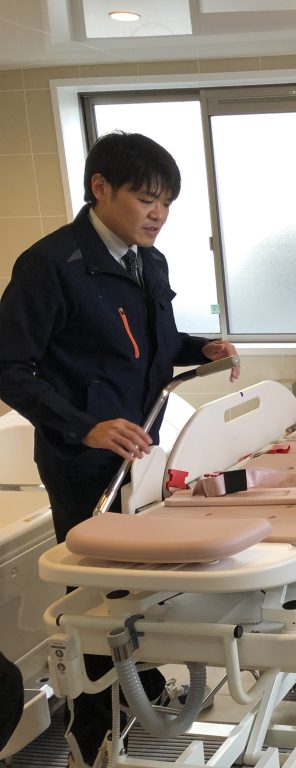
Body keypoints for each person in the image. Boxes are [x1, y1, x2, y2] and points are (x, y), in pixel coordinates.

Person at [0, 131, 239, 767]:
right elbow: (9, 366)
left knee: (136, 589)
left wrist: (201, 347)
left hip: (141, 451)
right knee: (96, 598)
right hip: (83, 462)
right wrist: (84, 426)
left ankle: (141, 687)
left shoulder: (147, 261)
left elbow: (150, 344)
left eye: (167, 203)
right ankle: (92, 729)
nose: (159, 214)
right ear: (100, 188)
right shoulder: (52, 264)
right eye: (146, 199)